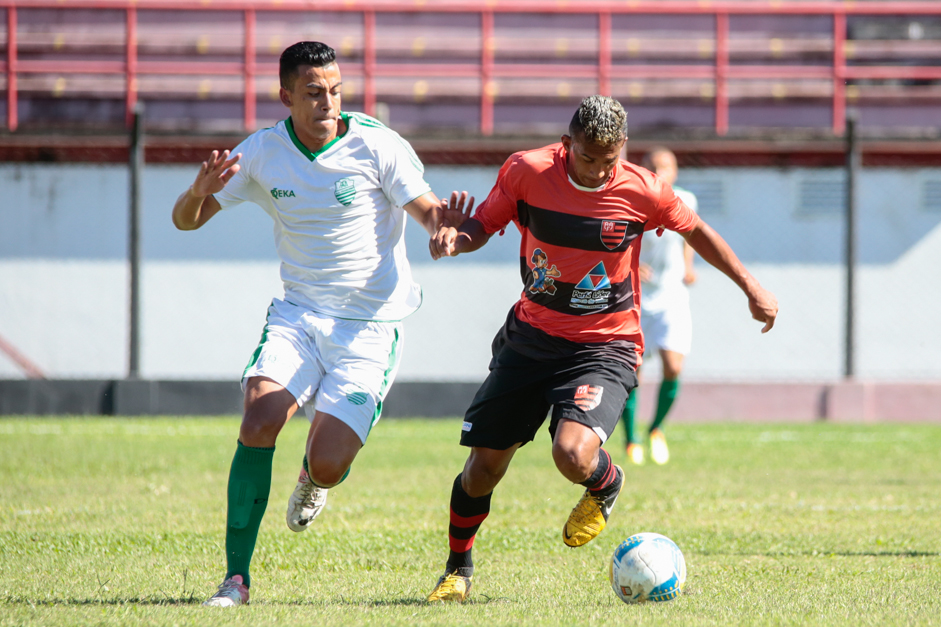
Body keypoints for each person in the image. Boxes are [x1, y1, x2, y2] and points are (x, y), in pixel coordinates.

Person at [425, 95, 778, 603]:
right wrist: (456, 236)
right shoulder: (527, 171)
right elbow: (484, 224)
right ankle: (458, 569)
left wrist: (751, 287)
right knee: (483, 469)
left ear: (623, 150)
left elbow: (697, 232)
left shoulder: (643, 188)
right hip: (531, 339)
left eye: (608, 160)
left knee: (571, 453)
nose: (596, 170)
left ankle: (605, 483)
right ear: (567, 145)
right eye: (586, 158)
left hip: (605, 345)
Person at [171, 41, 469, 607]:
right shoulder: (260, 153)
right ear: (286, 96)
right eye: (312, 92)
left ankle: (314, 477)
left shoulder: (377, 144)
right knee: (259, 418)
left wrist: (443, 229)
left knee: (331, 463)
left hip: (370, 326)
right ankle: (236, 579)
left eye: (334, 90)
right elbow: (186, 222)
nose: (327, 101)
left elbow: (429, 208)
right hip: (299, 315)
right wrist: (196, 193)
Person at [621, 147, 698, 466]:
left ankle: (656, 429)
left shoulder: (687, 200)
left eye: (666, 166)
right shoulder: (633, 201)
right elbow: (618, 241)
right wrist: (631, 267)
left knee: (674, 366)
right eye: (653, 166)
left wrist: (688, 267)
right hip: (637, 298)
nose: (660, 171)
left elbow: (689, 236)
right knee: (633, 371)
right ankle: (631, 440)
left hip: (672, 296)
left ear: (675, 172)